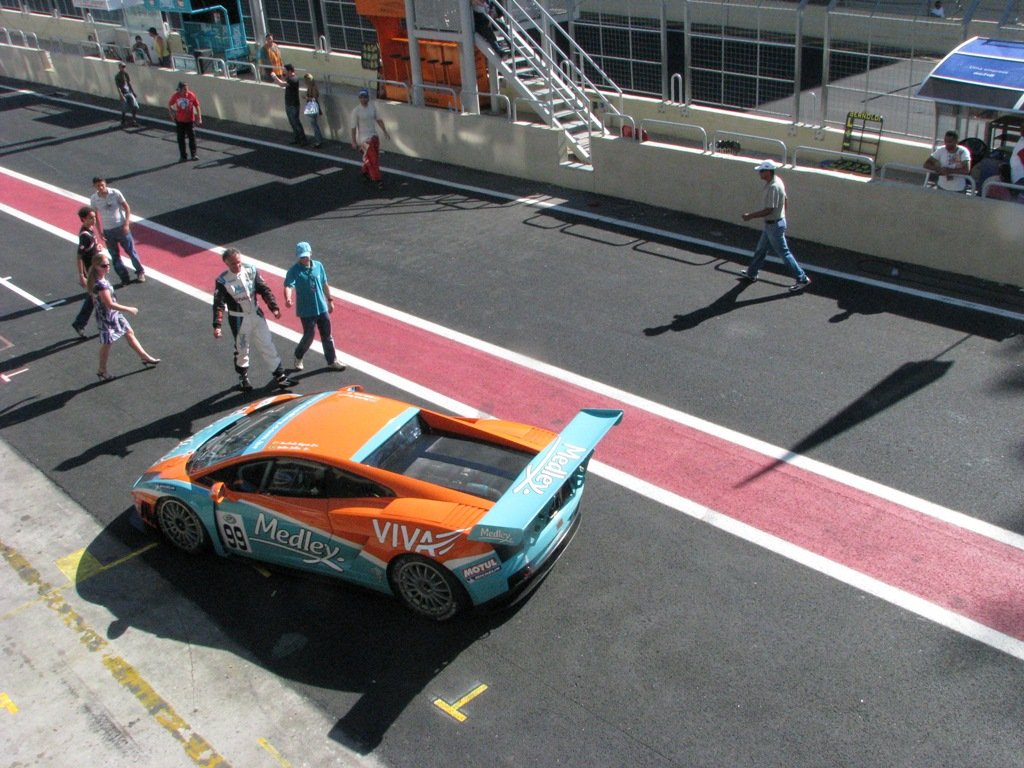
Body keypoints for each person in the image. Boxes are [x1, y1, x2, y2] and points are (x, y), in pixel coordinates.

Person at [212, 248, 294, 392]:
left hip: (256, 316)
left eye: (238, 262)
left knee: (267, 344)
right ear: (226, 264)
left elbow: (264, 289)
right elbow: (219, 304)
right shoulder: (222, 280)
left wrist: (273, 307)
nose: (237, 266)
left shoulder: (251, 270)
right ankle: (243, 377)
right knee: (242, 349)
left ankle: (280, 376)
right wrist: (217, 325)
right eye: (233, 264)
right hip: (239, 321)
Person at [739, 160, 811, 292]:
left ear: (768, 171)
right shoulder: (777, 181)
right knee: (761, 250)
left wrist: (750, 216)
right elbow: (785, 199)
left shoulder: (773, 187)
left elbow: (769, 210)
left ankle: (802, 278)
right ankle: (752, 273)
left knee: (784, 253)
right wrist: (782, 216)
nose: (759, 173)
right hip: (774, 223)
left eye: (761, 171)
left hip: (774, 225)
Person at [88, 252, 160, 381]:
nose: (107, 267)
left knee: (128, 332)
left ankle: (144, 356)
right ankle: (102, 370)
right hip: (108, 317)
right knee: (107, 343)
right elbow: (109, 304)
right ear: (96, 266)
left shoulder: (99, 279)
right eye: (104, 266)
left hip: (112, 315)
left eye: (108, 264)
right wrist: (129, 309)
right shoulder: (101, 285)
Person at [283, 242, 345, 372]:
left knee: (327, 335)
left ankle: (332, 361)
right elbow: (288, 285)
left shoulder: (318, 266)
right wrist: (288, 298)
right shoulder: (294, 270)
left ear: (311, 254)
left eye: (306, 256)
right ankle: (298, 355)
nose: (304, 259)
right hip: (306, 310)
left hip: (321, 307)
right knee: (309, 336)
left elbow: (324, 284)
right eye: (301, 257)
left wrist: (330, 300)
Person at [90, 176, 146, 285]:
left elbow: (127, 207)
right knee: (114, 256)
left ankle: (140, 272)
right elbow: (95, 216)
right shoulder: (94, 198)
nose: (100, 187)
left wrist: (126, 224)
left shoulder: (115, 193)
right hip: (108, 231)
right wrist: (99, 231)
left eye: (102, 185)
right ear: (94, 186)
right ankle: (124, 277)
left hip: (121, 227)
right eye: (98, 186)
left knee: (131, 251)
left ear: (105, 183)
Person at [71, 205, 101, 338]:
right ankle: (81, 323)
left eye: (94, 217)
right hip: (92, 272)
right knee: (98, 297)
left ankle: (80, 323)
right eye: (90, 218)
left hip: (96, 270)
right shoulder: (85, 236)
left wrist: (96, 248)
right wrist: (82, 275)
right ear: (83, 219)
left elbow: (90, 249)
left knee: (96, 297)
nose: (94, 220)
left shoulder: (90, 230)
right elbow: (79, 256)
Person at [351, 88, 389, 184]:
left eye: (365, 97)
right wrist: (354, 141)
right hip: (364, 139)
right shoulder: (356, 111)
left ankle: (365, 170)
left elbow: (379, 120)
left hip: (374, 136)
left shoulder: (372, 108)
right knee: (373, 159)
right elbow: (353, 127)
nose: (363, 99)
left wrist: (385, 131)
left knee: (373, 156)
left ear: (368, 98)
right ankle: (377, 179)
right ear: (359, 98)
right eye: (361, 97)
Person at [272, 64, 307, 146]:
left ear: (290, 71)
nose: (284, 72)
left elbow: (281, 84)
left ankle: (303, 140)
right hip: (289, 103)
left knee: (296, 122)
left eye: (285, 70)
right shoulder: (289, 79)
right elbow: (282, 83)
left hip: (293, 104)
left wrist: (275, 77)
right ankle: (297, 138)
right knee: (292, 122)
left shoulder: (294, 79)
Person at [167, 81, 201, 162]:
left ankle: (194, 154)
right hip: (180, 120)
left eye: (187, 89)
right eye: (184, 89)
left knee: (192, 137)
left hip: (190, 120)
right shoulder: (176, 96)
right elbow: (169, 104)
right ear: (180, 89)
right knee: (181, 139)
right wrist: (172, 114)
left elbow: (197, 105)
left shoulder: (191, 95)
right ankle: (183, 156)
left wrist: (199, 117)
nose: (186, 90)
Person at [114, 62, 139, 128]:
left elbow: (129, 83)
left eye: (124, 67)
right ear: (119, 67)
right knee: (125, 107)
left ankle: (134, 120)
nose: (123, 68)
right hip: (123, 93)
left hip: (129, 92)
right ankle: (123, 119)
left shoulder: (126, 74)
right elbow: (118, 87)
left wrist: (133, 92)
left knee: (135, 106)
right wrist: (121, 95)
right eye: (122, 67)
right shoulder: (117, 76)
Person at [303, 72, 324, 149]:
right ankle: (318, 140)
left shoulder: (314, 88)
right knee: (314, 124)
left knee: (314, 125)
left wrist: (306, 98)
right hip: (312, 107)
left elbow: (314, 98)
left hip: (313, 107)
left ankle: (318, 141)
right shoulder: (311, 87)